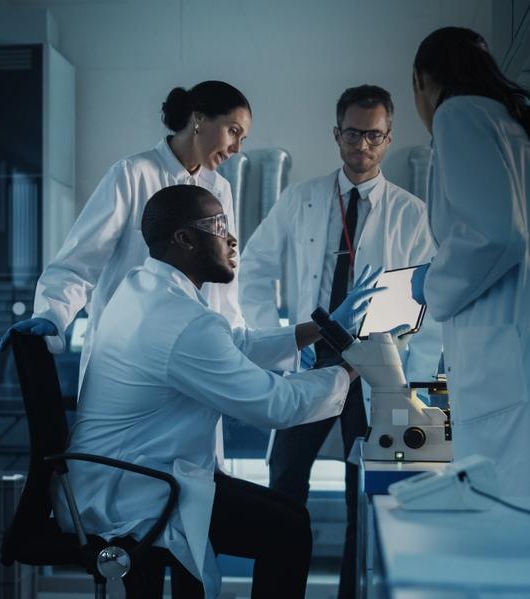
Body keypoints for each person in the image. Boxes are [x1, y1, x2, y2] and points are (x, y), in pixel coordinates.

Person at [54, 184, 382, 599]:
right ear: (185, 239)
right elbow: (275, 405)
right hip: (133, 490)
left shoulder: (145, 289)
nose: (232, 238)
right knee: (290, 528)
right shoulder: (182, 321)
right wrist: (357, 366)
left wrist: (320, 327)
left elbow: (235, 346)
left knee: (288, 515)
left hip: (115, 473)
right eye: (219, 225)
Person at [238, 85, 442, 597]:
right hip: (310, 359)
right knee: (284, 485)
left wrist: (411, 380)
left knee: (366, 495)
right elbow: (254, 270)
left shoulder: (412, 212)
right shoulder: (300, 198)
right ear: (337, 134)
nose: (363, 145)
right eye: (353, 133)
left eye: (374, 134)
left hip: (375, 368)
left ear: (389, 138)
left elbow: (431, 302)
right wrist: (282, 339)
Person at [0, 80, 251, 375]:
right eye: (233, 131)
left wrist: (237, 346)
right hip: (126, 353)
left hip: (194, 354)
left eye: (243, 138)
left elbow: (226, 284)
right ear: (199, 118)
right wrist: (51, 315)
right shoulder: (132, 174)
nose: (236, 148)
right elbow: (80, 262)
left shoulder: (220, 189)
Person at [410, 27, 530, 495]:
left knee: (504, 501)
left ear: (420, 80)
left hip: (498, 359)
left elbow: (497, 234)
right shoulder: (510, 121)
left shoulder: (457, 114)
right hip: (510, 346)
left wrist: (433, 283)